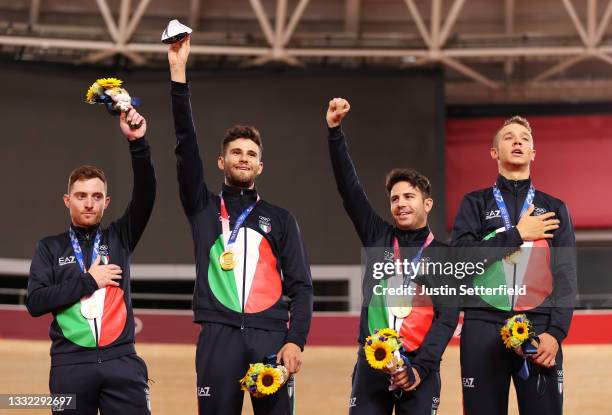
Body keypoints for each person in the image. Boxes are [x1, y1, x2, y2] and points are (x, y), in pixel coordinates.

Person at [167, 36, 313, 415]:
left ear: (260, 167)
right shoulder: (203, 208)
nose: (243, 158)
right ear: (221, 162)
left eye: (251, 154)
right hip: (218, 337)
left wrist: (295, 340)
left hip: (271, 338)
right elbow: (185, 147)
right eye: (236, 152)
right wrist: (178, 74)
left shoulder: (280, 219)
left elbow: (301, 286)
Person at [326, 97, 458, 415]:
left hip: (419, 371)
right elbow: (350, 189)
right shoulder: (378, 237)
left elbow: (447, 319)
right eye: (395, 198)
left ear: (427, 204)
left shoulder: (443, 256)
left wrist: (419, 369)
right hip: (372, 368)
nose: (400, 203)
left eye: (409, 197)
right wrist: (334, 132)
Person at [26, 107, 155, 414]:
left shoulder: (119, 237)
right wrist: (89, 280)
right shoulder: (49, 247)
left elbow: (147, 194)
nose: (88, 203)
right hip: (69, 367)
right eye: (81, 195)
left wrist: (138, 143)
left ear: (106, 202)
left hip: (122, 363)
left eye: (96, 196)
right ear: (67, 200)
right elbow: (36, 302)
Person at [451, 115, 576, 415]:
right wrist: (518, 234)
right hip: (482, 327)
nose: (517, 141)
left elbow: (566, 275)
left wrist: (555, 332)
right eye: (508, 137)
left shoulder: (555, 208)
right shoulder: (475, 203)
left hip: (540, 328)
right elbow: (459, 260)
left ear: (534, 152)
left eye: (524, 138)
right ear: (494, 152)